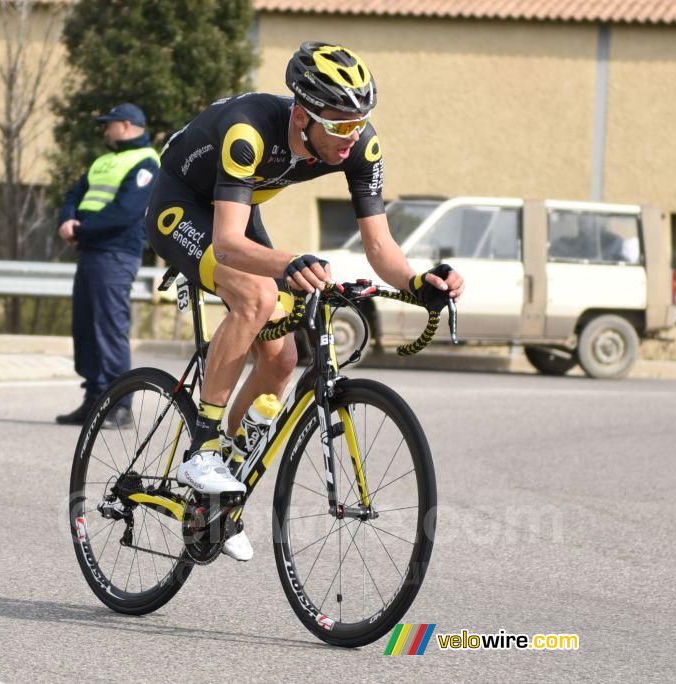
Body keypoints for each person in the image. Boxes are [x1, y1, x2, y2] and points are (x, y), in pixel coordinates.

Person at [146, 42, 464, 561]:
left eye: (359, 122)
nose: (352, 136)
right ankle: (203, 447)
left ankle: (219, 497)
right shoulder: (249, 133)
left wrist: (416, 283)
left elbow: (380, 246)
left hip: (238, 206)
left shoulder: (358, 145)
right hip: (181, 206)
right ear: (301, 114)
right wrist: (288, 262)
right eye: (339, 126)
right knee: (258, 293)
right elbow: (227, 243)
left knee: (284, 357)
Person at [55, 103, 160, 428]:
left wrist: (81, 230)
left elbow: (125, 211)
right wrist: (67, 220)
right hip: (90, 251)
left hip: (115, 253)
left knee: (110, 329)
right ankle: (93, 400)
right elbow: (74, 194)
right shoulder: (103, 161)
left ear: (127, 125)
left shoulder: (146, 162)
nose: (105, 130)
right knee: (86, 328)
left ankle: (120, 405)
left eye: (109, 124)